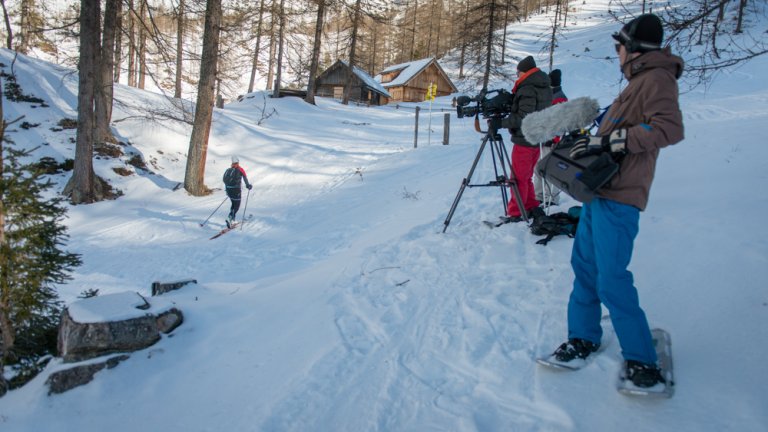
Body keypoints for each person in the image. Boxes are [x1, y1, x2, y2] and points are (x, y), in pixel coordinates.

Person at [548, 13, 684, 388]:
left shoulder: (657, 78)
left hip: (621, 196)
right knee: (586, 269)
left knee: (611, 278)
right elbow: (622, 128)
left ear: (633, 48)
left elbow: (669, 129)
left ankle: (642, 360)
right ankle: (584, 335)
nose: (617, 53)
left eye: (618, 46)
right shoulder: (639, 80)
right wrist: (592, 138)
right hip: (599, 190)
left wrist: (613, 140)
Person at [496, 55, 553, 221]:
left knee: (518, 178)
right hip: (536, 137)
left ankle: (516, 211)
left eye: (518, 73)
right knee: (526, 176)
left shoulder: (528, 88)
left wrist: (501, 123)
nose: (517, 77)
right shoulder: (543, 86)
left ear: (523, 72)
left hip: (525, 138)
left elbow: (523, 117)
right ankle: (530, 205)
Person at [534, 69, 568, 207]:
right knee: (538, 169)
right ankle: (540, 196)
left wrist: (554, 140)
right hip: (544, 139)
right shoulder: (553, 95)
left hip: (552, 142)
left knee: (549, 170)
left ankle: (552, 198)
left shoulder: (559, 98)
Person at [222, 156, 252, 228]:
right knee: (237, 205)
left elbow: (225, 181)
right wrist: (248, 185)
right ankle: (230, 218)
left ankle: (232, 219)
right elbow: (245, 178)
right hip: (236, 190)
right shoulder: (240, 169)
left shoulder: (229, 170)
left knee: (233, 204)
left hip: (229, 190)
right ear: (238, 163)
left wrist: (227, 190)